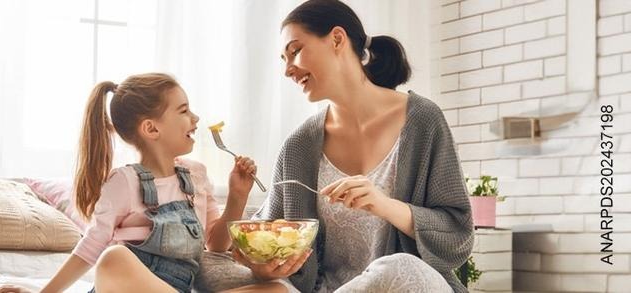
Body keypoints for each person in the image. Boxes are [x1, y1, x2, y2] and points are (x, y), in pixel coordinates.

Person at [201, 0, 474, 292]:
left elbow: (457, 234)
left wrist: (385, 205)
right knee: (204, 265)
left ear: (337, 39)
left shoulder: (422, 121)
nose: (288, 70)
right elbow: (266, 236)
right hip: (321, 287)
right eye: (284, 59)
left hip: (399, 284)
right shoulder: (299, 145)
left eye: (295, 51)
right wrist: (262, 265)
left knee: (400, 268)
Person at [0, 72, 271, 293]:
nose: (195, 118)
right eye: (184, 110)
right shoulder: (124, 182)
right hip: (123, 286)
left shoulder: (197, 175)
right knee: (114, 258)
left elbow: (217, 244)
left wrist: (237, 196)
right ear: (152, 128)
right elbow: (89, 249)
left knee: (278, 290)